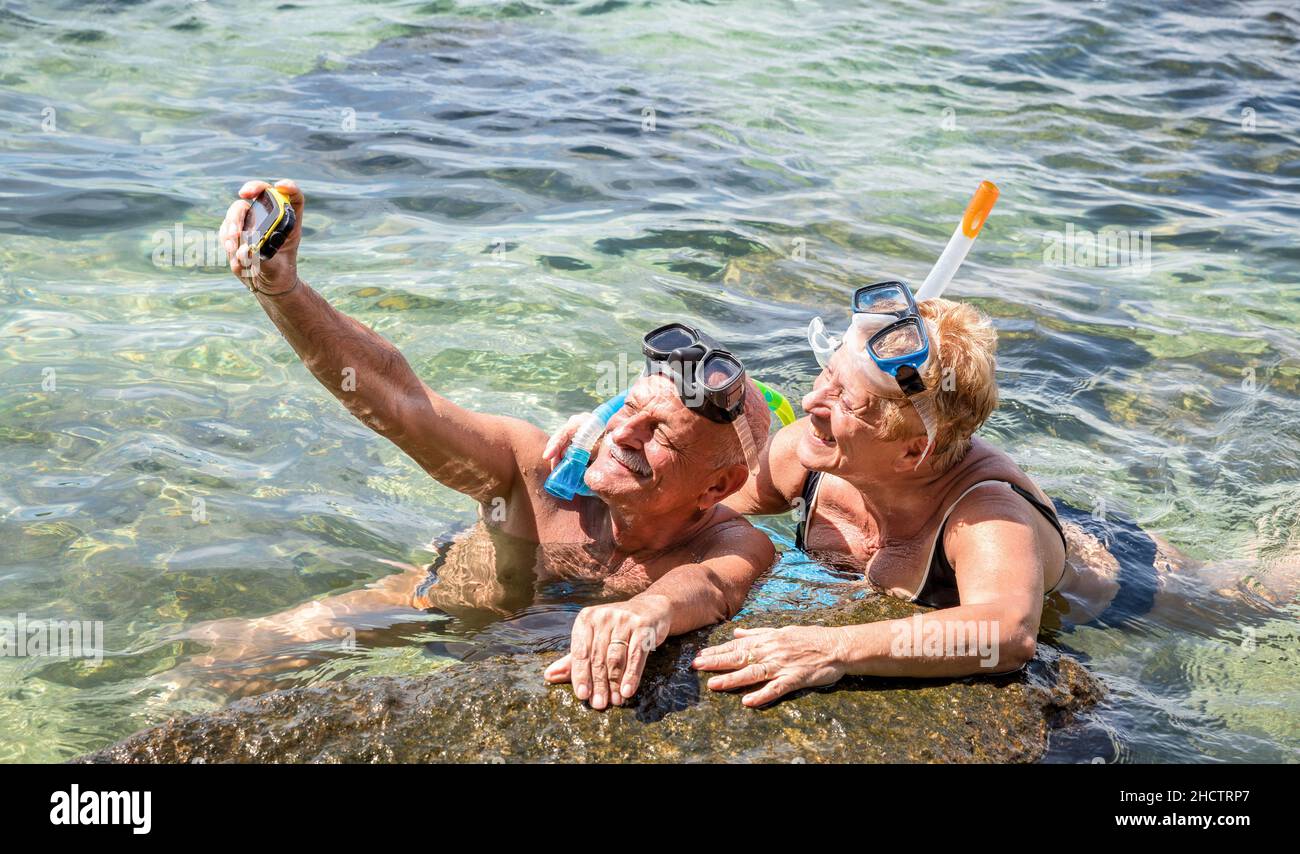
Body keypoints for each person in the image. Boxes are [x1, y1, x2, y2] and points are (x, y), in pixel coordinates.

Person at [207, 179, 775, 710]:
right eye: (628, 410)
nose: (625, 434)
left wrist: (648, 610)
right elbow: (400, 401)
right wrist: (283, 288)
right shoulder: (536, 473)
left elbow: (707, 585)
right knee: (227, 657)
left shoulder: (731, 541)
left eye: (662, 435)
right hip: (433, 603)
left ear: (718, 486)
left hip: (508, 653)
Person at [547, 284, 1159, 707]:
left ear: (913, 451)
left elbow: (1003, 634)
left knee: (1242, 602)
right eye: (827, 373)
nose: (812, 403)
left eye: (845, 402)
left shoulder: (987, 518)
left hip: (1122, 574)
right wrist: (603, 442)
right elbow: (700, 502)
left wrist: (835, 649)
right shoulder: (812, 454)